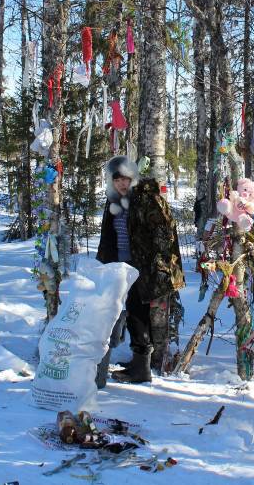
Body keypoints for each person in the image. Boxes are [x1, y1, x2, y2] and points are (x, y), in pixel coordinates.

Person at [95, 156, 184, 385]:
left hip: (145, 268)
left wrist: (154, 262)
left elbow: (164, 234)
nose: (122, 184)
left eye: (126, 179)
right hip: (122, 267)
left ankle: (142, 367)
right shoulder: (114, 201)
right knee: (131, 311)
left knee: (138, 313)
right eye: (117, 180)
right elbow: (109, 236)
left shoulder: (146, 199)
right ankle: (139, 361)